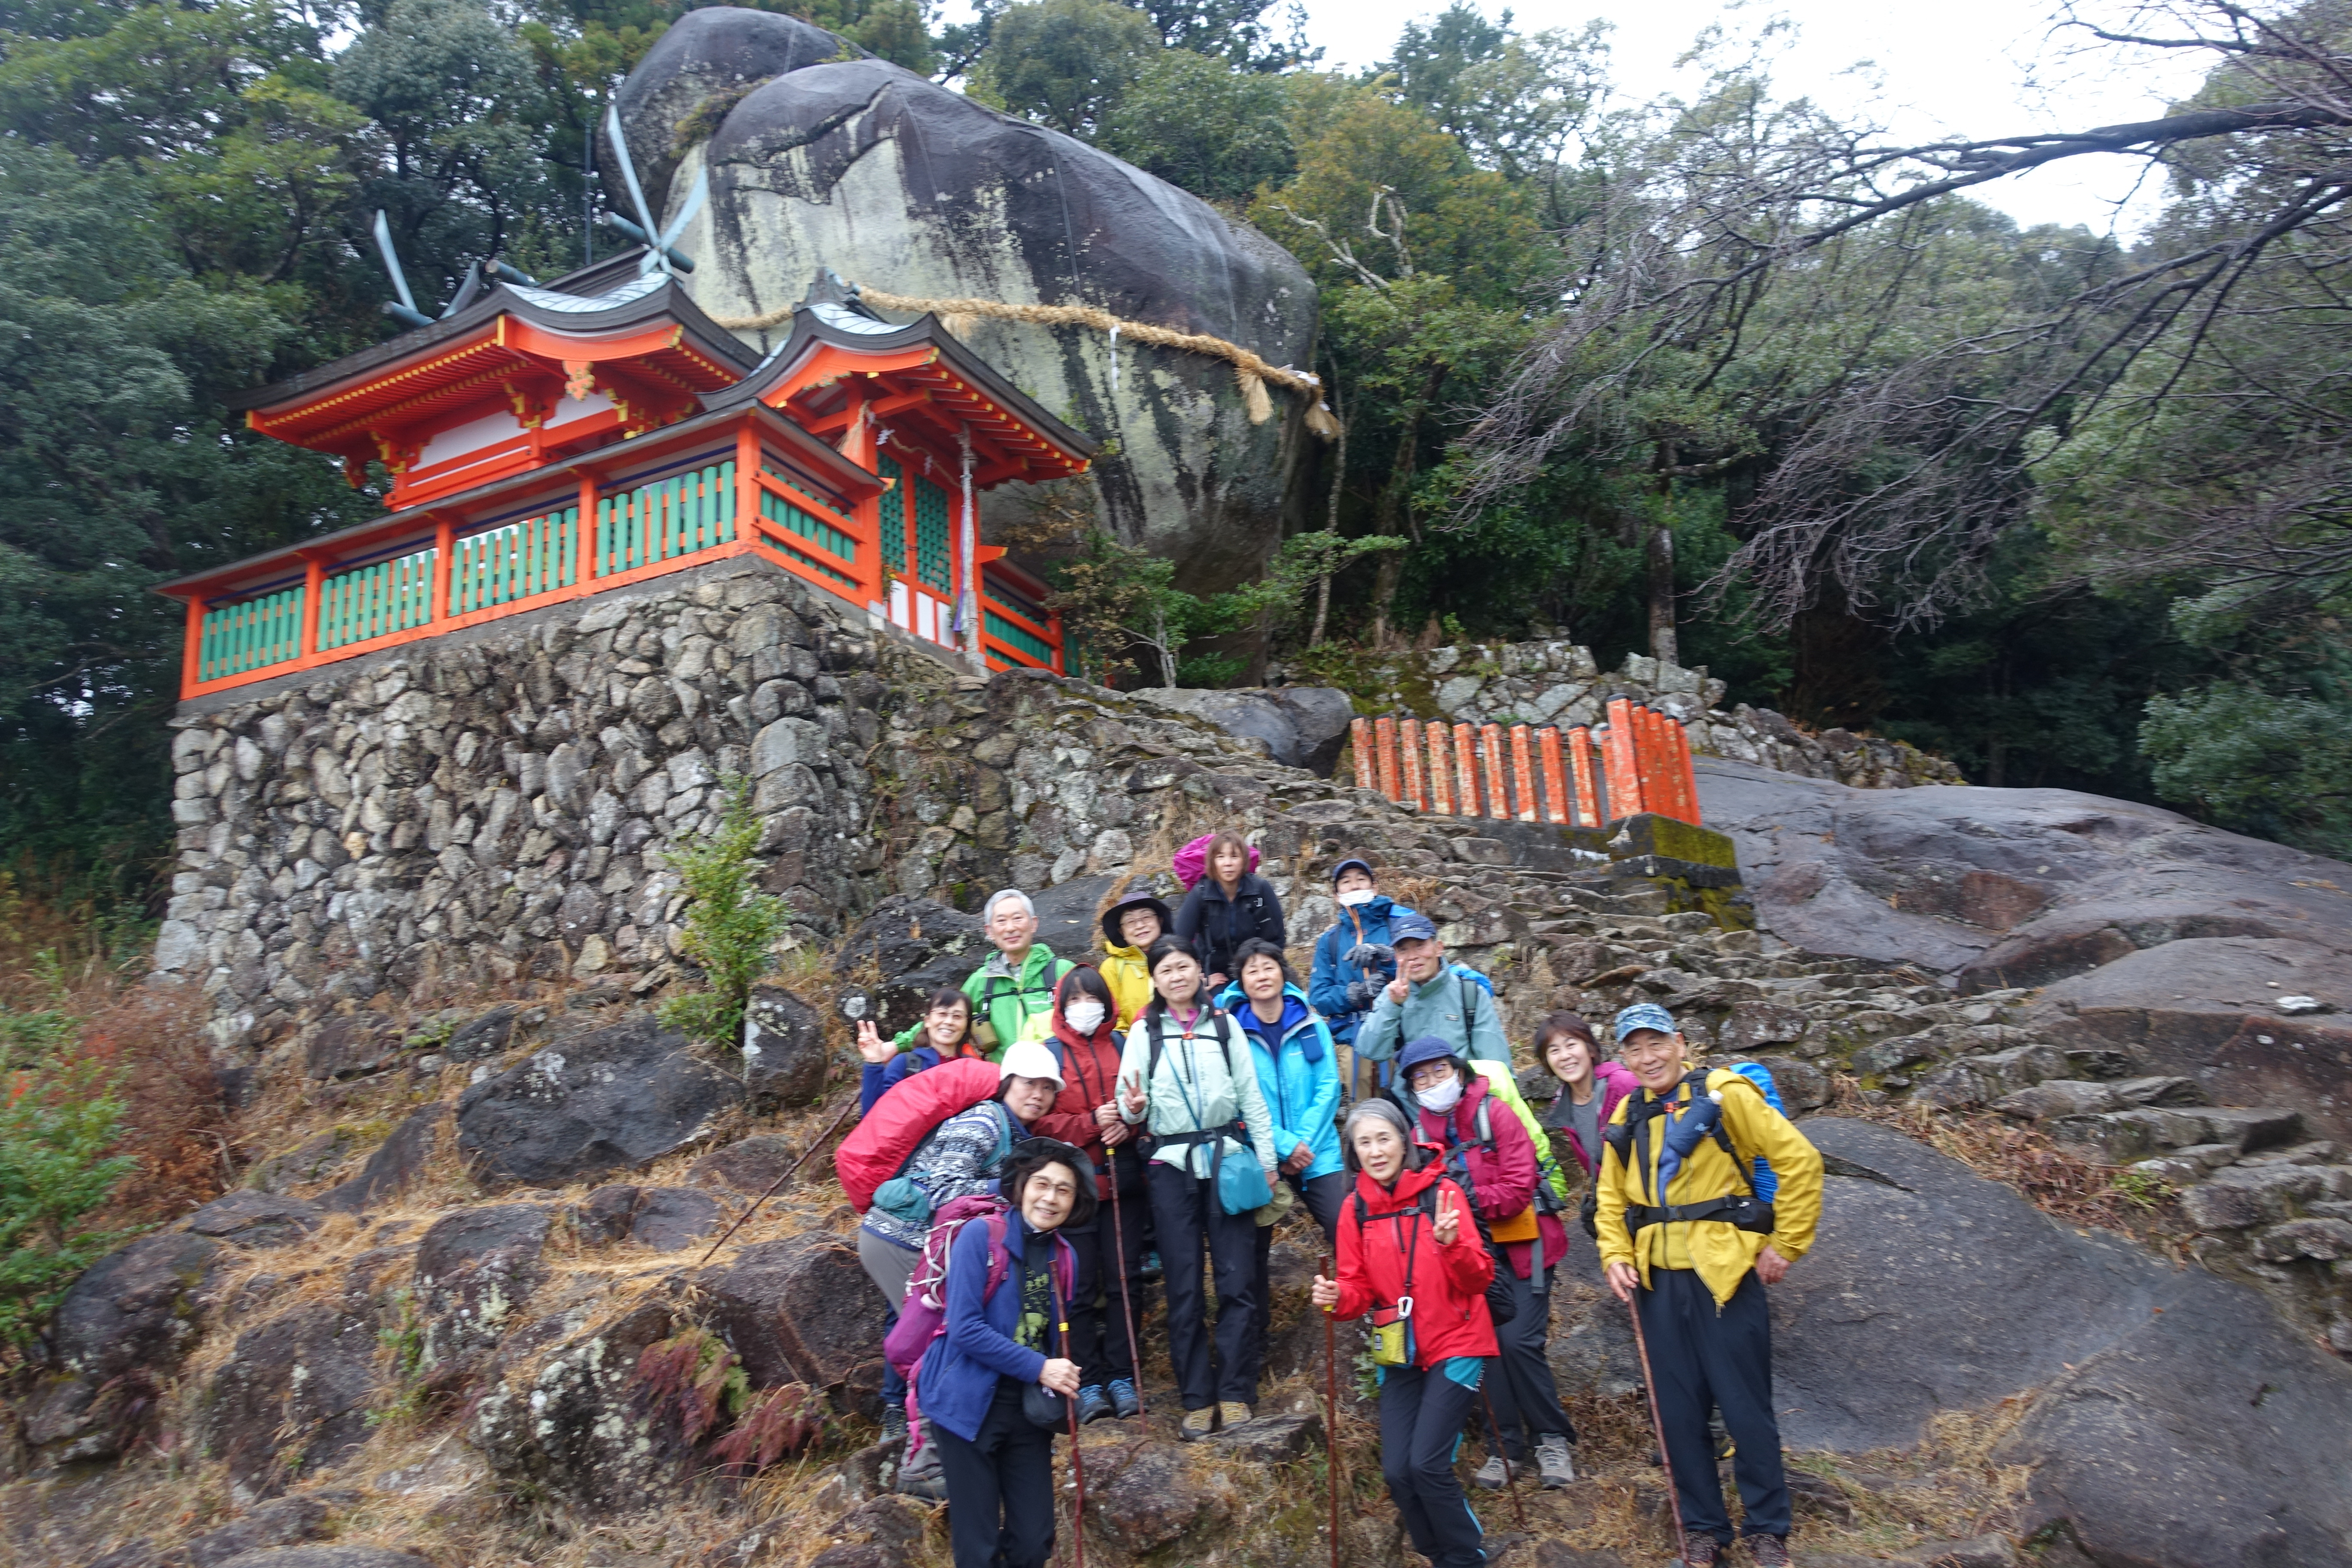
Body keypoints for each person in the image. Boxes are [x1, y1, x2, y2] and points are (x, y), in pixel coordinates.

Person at [1595, 1003, 1824, 1568]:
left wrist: (1786, 1244)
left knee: (1746, 1410)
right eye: (1634, 1048)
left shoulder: (1726, 1094)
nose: (1647, 1058)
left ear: (1680, 1042)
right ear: (1624, 1056)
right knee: (1678, 1415)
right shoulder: (1629, 1111)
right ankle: (1704, 1531)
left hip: (1724, 1278)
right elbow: (1610, 1198)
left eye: (1656, 1044)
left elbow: (1799, 1160)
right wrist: (1615, 1254)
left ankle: (1768, 1530)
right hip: (1656, 1285)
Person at [859, 1039, 1067, 1493]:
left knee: (942, 1338)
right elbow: (944, 1187)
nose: (1038, 1094)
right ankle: (925, 1463)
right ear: (1008, 1083)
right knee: (941, 1344)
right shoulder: (985, 1120)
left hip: (923, 1243)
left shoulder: (1019, 1134)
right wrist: (1014, 1187)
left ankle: (933, 1454)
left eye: (1047, 1088)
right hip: (901, 1239)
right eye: (1029, 1083)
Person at [1310, 1100, 1496, 1568]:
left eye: (1384, 1139)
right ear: (1354, 1153)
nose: (1376, 1151)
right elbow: (1358, 1289)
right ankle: (1437, 1554)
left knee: (1427, 1465)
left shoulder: (1443, 1193)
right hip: (1401, 1348)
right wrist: (1336, 1298)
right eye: (1364, 1143)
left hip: (1458, 1340)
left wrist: (1452, 1246)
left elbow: (1479, 1280)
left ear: (1405, 1140)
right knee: (1397, 1471)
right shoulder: (1355, 1210)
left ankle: (1466, 1558)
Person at [1393, 1035, 1578, 1491]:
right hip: (1465, 1257)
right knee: (1483, 1345)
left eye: (1440, 1071)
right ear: (1412, 1089)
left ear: (1459, 1071)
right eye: (1422, 1077)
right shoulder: (1417, 1137)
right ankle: (1506, 1445)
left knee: (1517, 1342)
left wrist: (1464, 1200)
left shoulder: (1496, 1113)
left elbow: (1519, 1187)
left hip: (1522, 1246)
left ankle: (1552, 1438)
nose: (1433, 1082)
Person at [1116, 937, 1280, 1439]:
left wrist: (1268, 1163)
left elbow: (1251, 1098)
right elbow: (1127, 1109)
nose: (1176, 975)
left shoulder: (1226, 1026)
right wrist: (1137, 1107)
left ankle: (1235, 1392)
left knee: (1237, 1281)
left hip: (1227, 1160)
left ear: (1198, 970)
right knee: (1183, 1285)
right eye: (1165, 969)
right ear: (1156, 980)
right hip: (1170, 1165)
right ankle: (1195, 1398)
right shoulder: (1144, 1033)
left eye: (1184, 965)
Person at [920, 1139, 1096, 1568]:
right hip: (966, 1404)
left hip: (1026, 1410)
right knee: (978, 1547)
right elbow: (964, 1328)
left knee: (1034, 1540)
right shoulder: (982, 1235)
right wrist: (1041, 1368)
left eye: (1064, 1190)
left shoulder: (1065, 1257)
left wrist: (1057, 1376)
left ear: (1074, 1202)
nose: (1050, 1198)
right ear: (1021, 1186)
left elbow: (1052, 1337)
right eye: (1042, 1184)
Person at [1214, 937, 1344, 1384]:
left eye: (1269, 966)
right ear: (1242, 981)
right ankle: (1257, 1342)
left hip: (1320, 1151)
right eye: (1252, 970)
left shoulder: (1311, 1022)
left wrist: (1304, 1143)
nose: (1262, 975)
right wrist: (1284, 1147)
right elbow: (1237, 1099)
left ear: (1282, 972)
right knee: (1251, 1253)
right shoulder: (1231, 1030)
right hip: (1263, 1156)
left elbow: (1330, 1085)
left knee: (1348, 1227)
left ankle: (1362, 1314)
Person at [1023, 966, 1146, 1421]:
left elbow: (1145, 1104)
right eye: (1073, 1000)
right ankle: (1087, 1378)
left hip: (1125, 1185)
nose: (1084, 1007)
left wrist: (1132, 1119)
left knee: (1125, 1283)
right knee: (1077, 1287)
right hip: (1074, 1191)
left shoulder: (1124, 1044)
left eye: (1091, 998)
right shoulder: (1049, 1056)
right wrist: (1094, 1122)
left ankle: (1121, 1375)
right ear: (1060, 1006)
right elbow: (1040, 1124)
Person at [1308, 856, 1417, 1099]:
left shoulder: (1398, 924)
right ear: (1336, 895)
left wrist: (1387, 956)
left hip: (1401, 1035)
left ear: (1374, 887)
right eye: (1346, 882)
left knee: (1408, 1113)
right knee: (1365, 1118)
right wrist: (1355, 993)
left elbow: (1420, 971)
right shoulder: (1330, 941)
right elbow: (1319, 996)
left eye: (1361, 879)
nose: (1355, 886)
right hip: (1352, 1039)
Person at [1352, 911, 1508, 1070]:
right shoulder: (1391, 996)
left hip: (1463, 1091)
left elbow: (1496, 1064)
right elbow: (1370, 1051)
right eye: (1403, 950)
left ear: (1438, 948)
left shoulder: (1471, 994)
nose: (1412, 957)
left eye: (1420, 946)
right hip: (1410, 1093)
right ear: (1396, 957)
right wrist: (1393, 1006)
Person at [965, 889, 1075, 1055]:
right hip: (1003, 1078)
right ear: (990, 931)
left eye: (1018, 918)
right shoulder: (981, 980)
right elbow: (945, 1018)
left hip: (1058, 1077)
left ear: (1034, 924)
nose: (1010, 928)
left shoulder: (1063, 971)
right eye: (1001, 921)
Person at [1172, 830, 1286, 991]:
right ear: (1213, 862)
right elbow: (1179, 942)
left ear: (1244, 861)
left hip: (1258, 970)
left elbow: (1278, 938)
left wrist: (1262, 971)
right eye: (1220, 857)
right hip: (1217, 974)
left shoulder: (1260, 889)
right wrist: (1201, 976)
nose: (1228, 863)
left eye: (1234, 856)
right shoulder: (1201, 894)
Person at [1534, 1012, 1640, 1177]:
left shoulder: (1624, 1084)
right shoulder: (1562, 1103)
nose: (1565, 1056)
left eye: (1571, 1045)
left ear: (1590, 1049)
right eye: (1554, 1051)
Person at [856, 987, 988, 1113]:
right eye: (942, 1014)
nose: (949, 1021)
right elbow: (873, 1115)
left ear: (966, 1026)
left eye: (958, 1016)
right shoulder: (906, 1064)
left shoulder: (973, 1069)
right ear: (927, 1021)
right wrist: (873, 1063)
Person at [1097, 891, 1172, 1029]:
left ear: (1160, 921)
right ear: (1122, 932)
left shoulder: (1176, 955)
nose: (1140, 926)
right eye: (1131, 922)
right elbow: (1110, 1018)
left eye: (1146, 917)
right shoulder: (1112, 967)